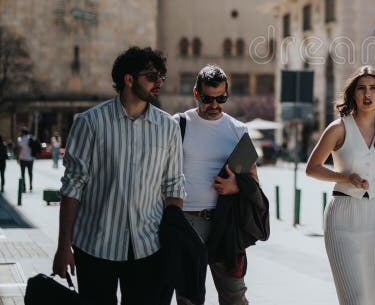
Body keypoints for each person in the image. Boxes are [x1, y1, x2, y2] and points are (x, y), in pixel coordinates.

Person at [52, 46, 185, 305]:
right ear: (129, 79)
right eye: (151, 76)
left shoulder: (168, 127)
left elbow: (174, 186)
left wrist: (173, 239)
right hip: (94, 245)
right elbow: (72, 186)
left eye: (161, 77)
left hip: (149, 247)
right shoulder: (90, 122)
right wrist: (63, 247)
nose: (158, 82)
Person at [306, 65, 375, 305]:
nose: (367, 94)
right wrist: (345, 177)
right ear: (353, 94)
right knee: (355, 300)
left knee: (374, 301)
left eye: (373, 88)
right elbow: (312, 168)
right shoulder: (339, 128)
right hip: (342, 218)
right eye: (361, 88)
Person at [173, 65, 259, 305]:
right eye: (208, 99)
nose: (214, 105)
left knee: (234, 296)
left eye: (221, 98)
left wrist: (236, 186)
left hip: (226, 223)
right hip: (186, 220)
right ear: (196, 93)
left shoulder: (238, 130)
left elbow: (254, 180)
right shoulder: (178, 124)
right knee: (188, 298)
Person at [15, 127, 34, 192]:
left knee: (23, 173)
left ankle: (24, 187)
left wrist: (17, 158)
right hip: (30, 158)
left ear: (23, 133)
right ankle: (31, 185)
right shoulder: (31, 138)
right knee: (30, 173)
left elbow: (19, 149)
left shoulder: (20, 139)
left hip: (23, 158)